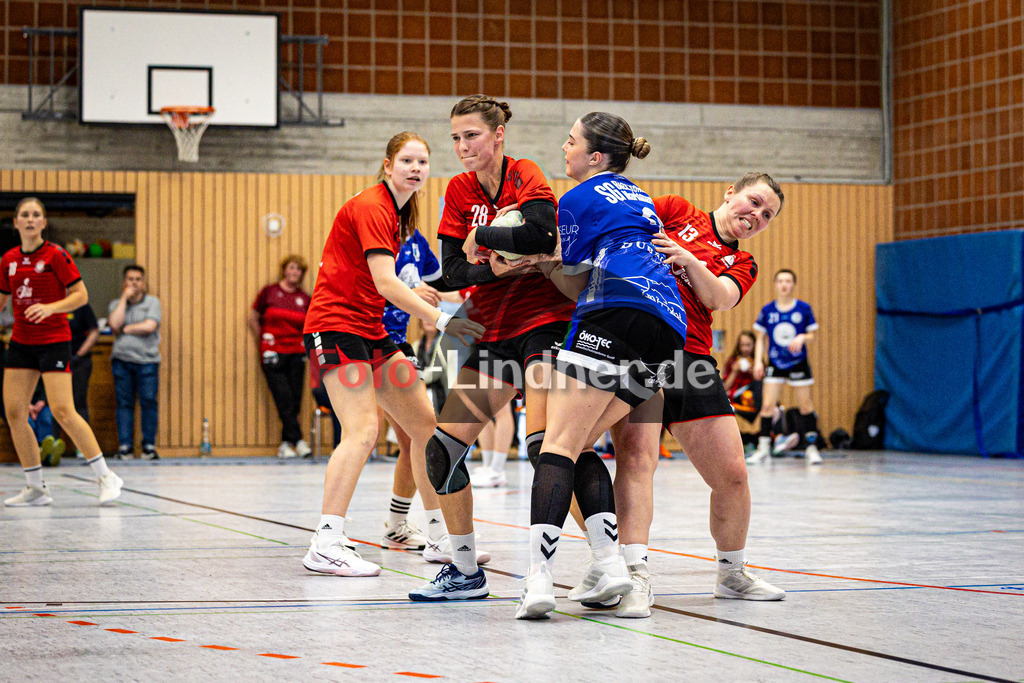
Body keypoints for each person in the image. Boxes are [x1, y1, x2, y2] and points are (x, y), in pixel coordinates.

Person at [515, 112, 689, 620]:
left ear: (595, 156)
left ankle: (538, 580)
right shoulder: (640, 197)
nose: (563, 148)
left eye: (570, 141)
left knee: (554, 444)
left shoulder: (574, 199)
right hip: (667, 327)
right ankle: (610, 566)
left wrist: (534, 260)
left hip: (612, 308)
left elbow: (574, 282)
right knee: (583, 440)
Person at [408, 95, 576, 602]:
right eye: (456, 138)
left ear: (497, 134)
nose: (462, 147)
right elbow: (454, 271)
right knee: (443, 449)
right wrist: (497, 265)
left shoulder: (526, 172)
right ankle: (463, 571)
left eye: (472, 136)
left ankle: (609, 564)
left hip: (545, 319)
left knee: (547, 445)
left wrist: (481, 234)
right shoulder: (458, 189)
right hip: (491, 326)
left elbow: (542, 230)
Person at [603, 178, 789, 619]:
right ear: (730, 192)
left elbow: (719, 297)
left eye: (767, 216)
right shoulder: (674, 209)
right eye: (755, 202)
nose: (756, 216)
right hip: (640, 345)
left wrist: (688, 259)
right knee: (636, 461)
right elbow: (617, 233)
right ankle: (634, 575)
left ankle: (732, 574)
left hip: (692, 358)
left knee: (733, 475)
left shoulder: (743, 262)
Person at [301, 131, 484, 578]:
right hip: (336, 325)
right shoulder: (372, 207)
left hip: (372, 330)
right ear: (388, 165)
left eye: (423, 161)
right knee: (363, 430)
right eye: (407, 161)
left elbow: (393, 288)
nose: (416, 168)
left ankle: (439, 535)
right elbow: (386, 283)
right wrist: (442, 321)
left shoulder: (403, 216)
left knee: (426, 428)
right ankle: (326, 541)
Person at [2, 197, 123, 507]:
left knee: (63, 410)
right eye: (24, 215)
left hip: (54, 340)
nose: (30, 220)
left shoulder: (56, 255)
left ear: (43, 223)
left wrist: (51, 308)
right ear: (16, 222)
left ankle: (106, 476)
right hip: (21, 342)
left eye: (36, 215)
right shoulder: (8, 260)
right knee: (15, 412)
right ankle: (35, 487)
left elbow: (81, 295)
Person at [747, 269, 821, 464]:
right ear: (775, 284)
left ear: (793, 284)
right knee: (767, 406)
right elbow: (760, 338)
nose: (784, 285)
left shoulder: (803, 309)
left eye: (788, 281)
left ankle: (811, 448)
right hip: (775, 362)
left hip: (798, 363)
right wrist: (758, 361)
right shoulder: (768, 310)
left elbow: (812, 334)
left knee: (805, 406)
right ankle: (763, 448)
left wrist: (802, 337)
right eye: (780, 281)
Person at [248, 255, 313, 459]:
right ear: (284, 269)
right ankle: (299, 440)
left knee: (294, 398)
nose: (294, 272)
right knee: (282, 397)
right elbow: (253, 318)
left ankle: (286, 443)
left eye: (299, 269)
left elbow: (310, 325)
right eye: (291, 268)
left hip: (297, 352)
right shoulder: (269, 292)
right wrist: (265, 341)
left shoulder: (304, 298)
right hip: (273, 352)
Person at [108, 265, 162, 460]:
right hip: (122, 361)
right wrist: (124, 298)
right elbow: (114, 324)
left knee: (148, 402)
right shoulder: (116, 304)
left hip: (147, 361)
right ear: (125, 283)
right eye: (130, 280)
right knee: (124, 404)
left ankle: (148, 446)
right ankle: (125, 447)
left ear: (144, 283)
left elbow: (150, 326)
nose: (134, 283)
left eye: (138, 279)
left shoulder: (152, 302)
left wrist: (127, 329)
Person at [67, 302, 100, 457]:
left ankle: (82, 447)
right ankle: (52, 443)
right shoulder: (51, 303)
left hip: (79, 361)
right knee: (55, 404)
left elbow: (94, 331)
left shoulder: (82, 306)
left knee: (79, 402)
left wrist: (79, 354)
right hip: (57, 359)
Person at [722, 330, 762, 425]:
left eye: (748, 345)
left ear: (754, 346)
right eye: (742, 345)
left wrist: (755, 372)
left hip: (753, 399)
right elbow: (724, 388)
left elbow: (762, 388)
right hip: (736, 398)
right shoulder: (732, 361)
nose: (745, 349)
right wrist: (734, 372)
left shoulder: (758, 363)